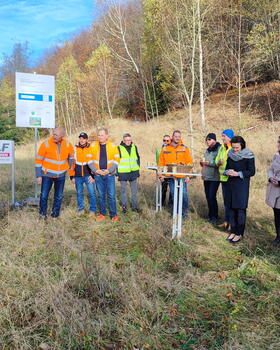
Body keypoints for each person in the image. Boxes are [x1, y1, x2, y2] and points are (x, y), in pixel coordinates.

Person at [35, 127, 74, 219]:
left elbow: (72, 159)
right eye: (54, 134)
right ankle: (42, 214)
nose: (54, 136)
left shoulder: (68, 144)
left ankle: (55, 215)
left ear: (62, 136)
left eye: (56, 135)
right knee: (44, 195)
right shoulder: (46, 144)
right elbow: (38, 161)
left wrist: (71, 172)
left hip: (60, 175)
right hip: (47, 175)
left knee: (59, 196)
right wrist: (38, 175)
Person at [225, 136, 255, 243]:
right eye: (233, 147)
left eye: (237, 148)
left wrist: (238, 173)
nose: (235, 150)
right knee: (231, 208)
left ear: (242, 145)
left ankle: (239, 233)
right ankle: (233, 231)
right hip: (231, 184)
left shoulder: (248, 155)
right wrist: (227, 171)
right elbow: (226, 168)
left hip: (242, 185)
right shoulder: (230, 154)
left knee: (240, 209)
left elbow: (251, 172)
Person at [158, 130, 193, 217]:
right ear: (172, 137)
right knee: (174, 194)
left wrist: (189, 175)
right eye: (176, 136)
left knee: (183, 194)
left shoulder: (185, 148)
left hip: (182, 176)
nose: (177, 138)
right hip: (171, 176)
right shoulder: (165, 148)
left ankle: (184, 213)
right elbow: (161, 163)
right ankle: (175, 213)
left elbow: (189, 162)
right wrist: (160, 175)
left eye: (179, 136)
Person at [89, 128, 120, 222]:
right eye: (99, 135)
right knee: (101, 195)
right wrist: (96, 170)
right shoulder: (93, 146)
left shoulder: (113, 146)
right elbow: (89, 161)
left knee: (111, 195)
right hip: (98, 174)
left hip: (109, 174)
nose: (100, 137)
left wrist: (108, 170)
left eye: (102, 135)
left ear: (107, 136)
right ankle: (102, 214)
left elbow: (116, 160)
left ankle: (114, 215)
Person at [71, 132, 96, 216]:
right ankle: (81, 209)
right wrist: (72, 176)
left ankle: (92, 210)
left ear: (86, 139)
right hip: (77, 176)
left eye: (84, 138)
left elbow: (94, 162)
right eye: (80, 138)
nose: (81, 140)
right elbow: (71, 163)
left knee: (92, 193)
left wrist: (93, 176)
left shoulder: (91, 148)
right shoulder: (74, 148)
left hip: (88, 175)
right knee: (79, 193)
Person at [215, 129, 234, 230]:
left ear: (229, 137)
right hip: (223, 178)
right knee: (226, 201)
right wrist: (218, 162)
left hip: (231, 179)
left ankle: (231, 223)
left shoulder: (233, 148)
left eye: (224, 136)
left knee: (231, 202)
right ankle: (226, 222)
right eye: (222, 136)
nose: (222, 138)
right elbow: (216, 161)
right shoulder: (221, 148)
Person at [200, 133, 221, 224]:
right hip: (207, 176)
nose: (207, 141)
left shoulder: (219, 149)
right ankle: (210, 216)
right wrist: (202, 164)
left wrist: (209, 163)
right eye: (206, 140)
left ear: (214, 140)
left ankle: (215, 217)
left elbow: (218, 162)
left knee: (212, 196)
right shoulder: (207, 150)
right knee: (208, 196)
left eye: (209, 139)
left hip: (215, 177)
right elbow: (205, 162)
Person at [117, 133, 141, 213]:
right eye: (126, 140)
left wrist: (138, 168)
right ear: (123, 140)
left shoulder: (134, 147)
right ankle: (124, 207)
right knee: (123, 191)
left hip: (133, 172)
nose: (128, 142)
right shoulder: (119, 148)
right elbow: (116, 161)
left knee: (134, 191)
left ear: (131, 140)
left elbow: (138, 158)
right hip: (123, 173)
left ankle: (135, 207)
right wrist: (117, 173)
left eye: (129, 140)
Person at [266, 137, 280, 246]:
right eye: (278, 141)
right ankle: (278, 237)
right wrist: (271, 178)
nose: (278, 144)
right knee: (276, 213)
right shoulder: (276, 155)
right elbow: (271, 169)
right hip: (274, 188)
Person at [156, 135, 171, 207]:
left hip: (171, 173)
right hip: (163, 173)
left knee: (172, 191)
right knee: (163, 190)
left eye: (167, 141)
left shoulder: (172, 149)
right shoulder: (159, 150)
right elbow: (157, 163)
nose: (166, 142)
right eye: (164, 140)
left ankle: (171, 205)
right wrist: (160, 174)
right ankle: (162, 205)